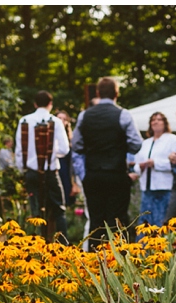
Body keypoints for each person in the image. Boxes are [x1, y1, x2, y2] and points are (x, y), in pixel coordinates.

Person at [72, 77, 142, 248]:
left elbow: (76, 145)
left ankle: (94, 265)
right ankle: (118, 264)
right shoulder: (123, 115)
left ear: (97, 93)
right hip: (116, 174)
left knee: (96, 221)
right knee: (117, 220)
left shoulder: (84, 115)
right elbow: (136, 144)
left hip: (93, 174)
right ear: (117, 93)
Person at [15, 90, 70, 244]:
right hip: (51, 172)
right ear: (50, 104)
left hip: (32, 172)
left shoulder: (24, 121)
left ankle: (37, 245)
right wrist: (52, 154)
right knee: (59, 210)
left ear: (35, 104)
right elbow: (65, 149)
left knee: (36, 211)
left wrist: (23, 170)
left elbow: (19, 150)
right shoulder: (56, 122)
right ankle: (64, 246)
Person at [130, 112, 176, 228]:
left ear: (165, 123)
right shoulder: (145, 143)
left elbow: (175, 164)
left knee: (161, 219)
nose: (155, 122)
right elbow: (136, 165)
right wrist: (140, 167)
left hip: (163, 187)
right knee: (146, 221)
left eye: (159, 119)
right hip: (147, 188)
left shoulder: (172, 140)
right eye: (153, 120)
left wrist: (155, 163)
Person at [55, 110, 80, 206]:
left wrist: (75, 183)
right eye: (59, 118)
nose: (61, 121)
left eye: (64, 119)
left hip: (66, 173)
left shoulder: (72, 139)